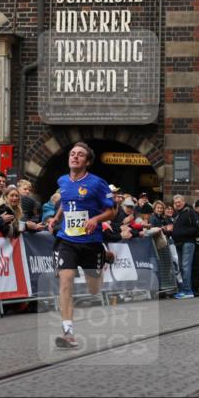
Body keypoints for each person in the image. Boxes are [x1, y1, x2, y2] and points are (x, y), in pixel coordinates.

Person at [46, 142, 117, 349]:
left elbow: (111, 211)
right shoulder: (62, 181)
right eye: (72, 154)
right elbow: (66, 203)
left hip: (91, 242)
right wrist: (55, 218)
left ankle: (103, 258)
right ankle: (68, 332)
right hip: (67, 239)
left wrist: (96, 219)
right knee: (65, 282)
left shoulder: (98, 183)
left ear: (87, 162)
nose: (75, 157)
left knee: (94, 290)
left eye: (80, 155)